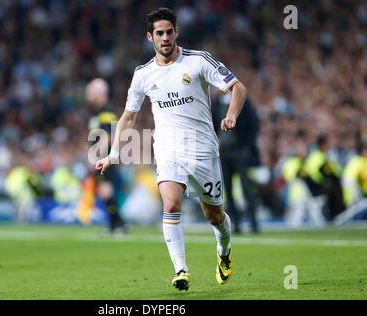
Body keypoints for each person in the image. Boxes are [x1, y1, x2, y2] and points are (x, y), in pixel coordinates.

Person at [95, 8, 247, 291]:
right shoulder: (143, 74)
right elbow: (129, 116)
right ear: (149, 37)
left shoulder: (199, 61)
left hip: (203, 150)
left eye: (169, 32)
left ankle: (224, 251)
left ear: (176, 32)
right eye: (159, 34)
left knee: (214, 216)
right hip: (167, 150)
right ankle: (181, 270)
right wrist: (114, 154)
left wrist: (232, 116)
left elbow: (238, 88)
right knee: (170, 204)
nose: (165, 38)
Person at [211, 95, 259, 233]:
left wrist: (246, 147)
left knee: (246, 187)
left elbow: (253, 124)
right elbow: (212, 126)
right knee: (228, 189)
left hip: (239, 149)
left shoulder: (242, 101)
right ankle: (235, 224)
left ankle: (253, 223)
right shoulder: (215, 103)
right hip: (223, 152)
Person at [87, 78, 128, 234]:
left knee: (106, 190)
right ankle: (115, 223)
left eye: (90, 91)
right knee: (104, 191)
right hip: (104, 157)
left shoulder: (105, 112)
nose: (87, 95)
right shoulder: (98, 113)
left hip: (105, 158)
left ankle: (118, 223)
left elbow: (107, 135)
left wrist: (96, 156)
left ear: (99, 93)